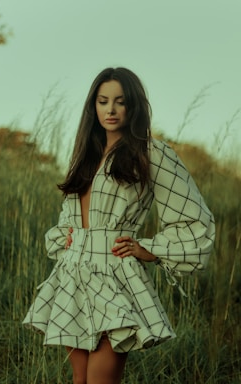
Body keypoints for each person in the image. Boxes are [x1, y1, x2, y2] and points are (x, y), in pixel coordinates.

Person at [23, 67, 215, 384]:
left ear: (133, 106)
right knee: (80, 379)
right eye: (102, 101)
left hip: (115, 273)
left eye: (120, 101)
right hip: (74, 272)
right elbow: (70, 211)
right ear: (93, 106)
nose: (110, 109)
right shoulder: (86, 153)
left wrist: (150, 249)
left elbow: (196, 217)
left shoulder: (152, 152)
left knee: (101, 380)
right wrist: (67, 237)